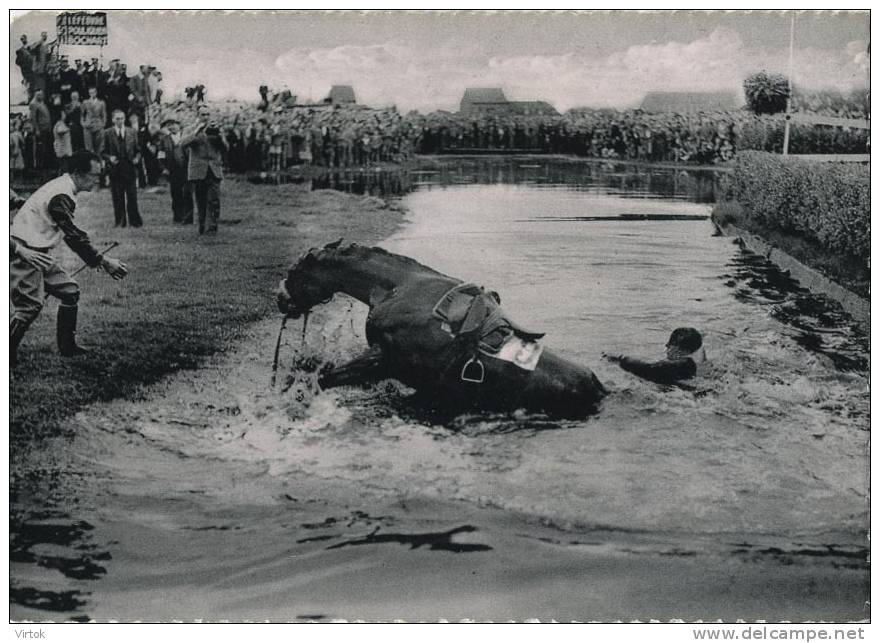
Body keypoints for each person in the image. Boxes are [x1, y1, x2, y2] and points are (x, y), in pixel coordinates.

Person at [9, 150, 129, 367]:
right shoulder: (61, 195)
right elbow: (73, 236)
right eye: (94, 175)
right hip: (26, 252)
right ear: (79, 174)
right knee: (29, 307)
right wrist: (103, 261)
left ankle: (68, 348)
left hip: (41, 252)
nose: (97, 180)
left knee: (70, 291)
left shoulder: (63, 188)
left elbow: (71, 234)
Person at [603, 327, 706, 385]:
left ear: (680, 349)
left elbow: (650, 369)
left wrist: (619, 358)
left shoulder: (683, 364)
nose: (666, 346)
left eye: (670, 343)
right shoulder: (694, 363)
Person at [180, 107, 227, 235]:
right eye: (203, 114)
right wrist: (196, 131)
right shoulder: (190, 129)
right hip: (198, 169)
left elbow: (225, 148)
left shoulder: (215, 129)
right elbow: (182, 143)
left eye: (207, 114)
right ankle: (202, 226)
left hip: (213, 168)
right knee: (201, 200)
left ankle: (211, 228)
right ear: (197, 115)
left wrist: (220, 137)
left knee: (214, 199)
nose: (205, 117)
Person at [100, 109, 143, 227]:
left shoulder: (132, 132)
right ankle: (120, 221)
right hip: (115, 169)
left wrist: (137, 158)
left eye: (122, 118)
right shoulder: (107, 133)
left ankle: (135, 222)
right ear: (113, 119)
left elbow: (138, 150)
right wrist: (109, 158)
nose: (120, 121)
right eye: (117, 119)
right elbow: (102, 151)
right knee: (117, 196)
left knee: (132, 195)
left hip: (129, 167)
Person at [157, 118, 193, 224]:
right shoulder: (164, 140)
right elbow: (160, 155)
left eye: (173, 124)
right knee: (175, 193)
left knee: (187, 193)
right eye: (169, 125)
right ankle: (177, 217)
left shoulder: (187, 136)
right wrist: (164, 168)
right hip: (173, 170)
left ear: (179, 125)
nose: (171, 127)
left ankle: (188, 218)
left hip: (187, 169)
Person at [82, 86, 107, 153]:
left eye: (93, 92)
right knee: (89, 148)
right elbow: (82, 114)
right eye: (90, 93)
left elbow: (104, 114)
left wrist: (103, 124)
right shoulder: (85, 102)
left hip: (98, 125)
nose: (92, 94)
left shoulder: (101, 103)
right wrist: (83, 123)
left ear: (96, 93)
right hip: (88, 125)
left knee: (99, 146)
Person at [53, 110, 73, 175]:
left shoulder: (61, 123)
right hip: (62, 148)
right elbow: (60, 131)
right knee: (64, 164)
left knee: (63, 164)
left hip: (64, 147)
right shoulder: (60, 123)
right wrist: (68, 129)